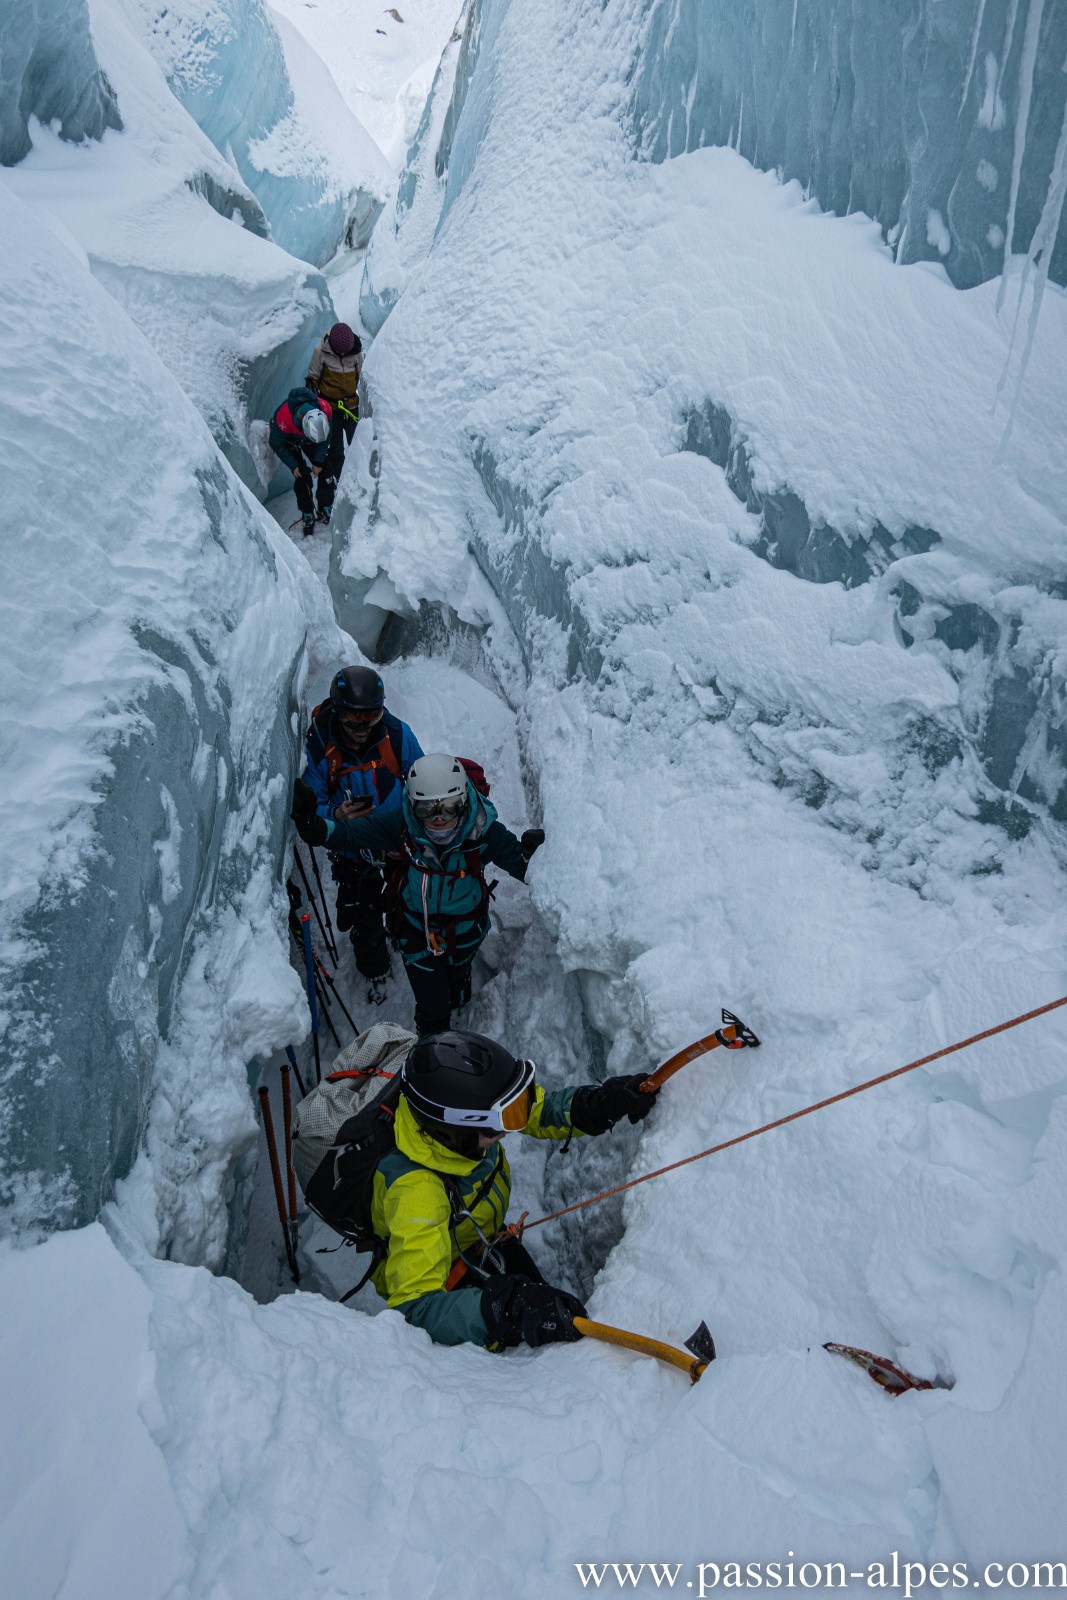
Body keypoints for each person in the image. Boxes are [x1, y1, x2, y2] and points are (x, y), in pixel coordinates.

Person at [375, 1029, 661, 1348]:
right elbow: (416, 1309)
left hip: (481, 1238)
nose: (511, 1127)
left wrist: (596, 1106)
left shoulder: (465, 1133)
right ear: (459, 1131)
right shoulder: (416, 1194)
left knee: (553, 1313)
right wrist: (503, 1310)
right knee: (535, 1338)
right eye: (503, 1120)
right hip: (446, 1285)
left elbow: (533, 1110)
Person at [292, 755, 545, 1034]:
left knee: (457, 976)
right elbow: (352, 834)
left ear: (464, 802)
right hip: (417, 931)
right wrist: (315, 828)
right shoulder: (403, 825)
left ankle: (458, 991)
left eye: (449, 807)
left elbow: (525, 867)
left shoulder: (483, 831)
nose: (439, 819)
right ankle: (433, 1044)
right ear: (413, 806)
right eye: (427, 810)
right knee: (433, 1011)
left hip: (465, 931)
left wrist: (539, 859)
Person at [302, 665, 422, 988]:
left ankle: (400, 933)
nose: (362, 727)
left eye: (370, 717)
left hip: (397, 840)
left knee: (407, 900)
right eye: (353, 718)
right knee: (366, 917)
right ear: (337, 712)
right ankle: (375, 971)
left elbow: (421, 782)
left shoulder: (396, 736)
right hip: (353, 849)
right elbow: (312, 809)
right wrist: (336, 816)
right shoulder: (320, 748)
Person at [306, 322, 362, 525]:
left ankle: (360, 481)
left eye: (346, 351)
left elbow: (361, 376)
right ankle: (341, 484)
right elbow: (313, 378)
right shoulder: (320, 351)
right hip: (330, 408)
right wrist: (314, 399)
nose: (343, 354)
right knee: (336, 450)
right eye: (340, 351)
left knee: (359, 444)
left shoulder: (356, 353)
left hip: (351, 405)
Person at [269, 385, 332, 536]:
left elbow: (325, 437)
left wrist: (318, 461)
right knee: (302, 475)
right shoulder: (284, 418)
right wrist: (294, 465)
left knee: (326, 467)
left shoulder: (325, 410)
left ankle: (325, 505)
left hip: (310, 437)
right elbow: (276, 443)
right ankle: (307, 512)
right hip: (288, 440)